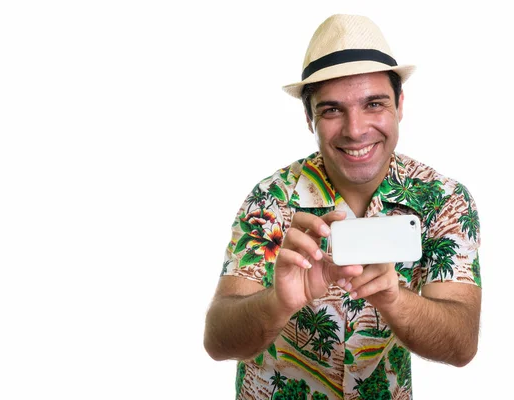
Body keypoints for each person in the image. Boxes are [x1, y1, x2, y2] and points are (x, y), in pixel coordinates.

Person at [204, 14, 481, 399]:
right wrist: (277, 303)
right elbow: (218, 340)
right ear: (309, 117)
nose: (355, 129)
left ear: (400, 104)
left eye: (374, 104)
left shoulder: (444, 200)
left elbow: (462, 343)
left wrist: (394, 300)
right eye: (332, 109)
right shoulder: (272, 199)